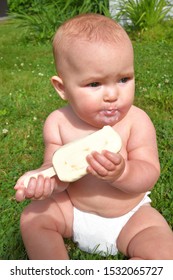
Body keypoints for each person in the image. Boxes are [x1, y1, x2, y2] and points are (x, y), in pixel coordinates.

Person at [14, 13, 173, 260]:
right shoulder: (58, 123)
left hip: (129, 216)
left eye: (123, 79)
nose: (112, 94)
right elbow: (55, 169)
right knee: (33, 217)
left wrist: (123, 173)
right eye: (94, 84)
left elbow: (149, 172)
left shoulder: (136, 121)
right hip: (74, 210)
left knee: (164, 250)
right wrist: (44, 180)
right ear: (62, 88)